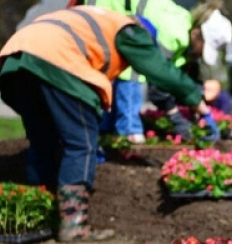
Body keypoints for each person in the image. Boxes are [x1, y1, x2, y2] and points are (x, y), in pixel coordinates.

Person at [0, 5, 220, 242]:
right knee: (81, 143)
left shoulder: (98, 19)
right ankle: (74, 224)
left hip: (16, 61)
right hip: (57, 60)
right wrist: (198, 104)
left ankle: (36, 216)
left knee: (44, 141)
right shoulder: (131, 31)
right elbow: (160, 71)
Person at [83, 0, 195, 144]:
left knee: (110, 93)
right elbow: (158, 73)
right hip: (122, 40)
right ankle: (129, 134)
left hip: (111, 36)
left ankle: (107, 133)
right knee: (128, 85)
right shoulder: (176, 30)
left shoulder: (177, 19)